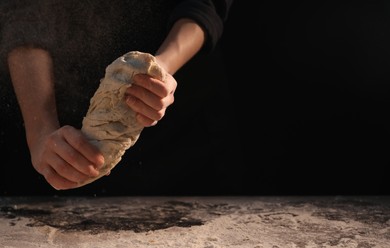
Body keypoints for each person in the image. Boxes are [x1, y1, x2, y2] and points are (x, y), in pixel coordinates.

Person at [0, 0, 245, 195]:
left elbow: (205, 3)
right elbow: (24, 13)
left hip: (183, 142)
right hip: (62, 144)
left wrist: (158, 70)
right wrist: (40, 130)